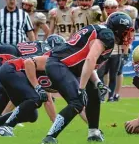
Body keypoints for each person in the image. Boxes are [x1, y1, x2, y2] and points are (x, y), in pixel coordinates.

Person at [40, 12, 134, 143]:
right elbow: (90, 59)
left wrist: (98, 82)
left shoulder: (100, 30)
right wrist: (81, 87)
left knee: (94, 91)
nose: (127, 35)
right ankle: (50, 137)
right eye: (126, 31)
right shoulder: (107, 35)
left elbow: (89, 63)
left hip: (63, 64)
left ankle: (93, 132)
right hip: (60, 65)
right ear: (118, 29)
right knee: (77, 101)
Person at [0, 36, 58, 131]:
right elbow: (47, 98)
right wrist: (56, 123)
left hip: (4, 62)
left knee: (28, 111)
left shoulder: (40, 48)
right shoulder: (44, 57)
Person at [110, 0, 138, 101]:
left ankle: (116, 93)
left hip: (123, 41)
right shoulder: (111, 7)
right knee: (106, 70)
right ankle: (107, 92)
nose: (116, 0)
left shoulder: (130, 10)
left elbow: (131, 29)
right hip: (110, 41)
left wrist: (128, 43)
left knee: (119, 70)